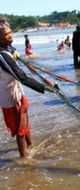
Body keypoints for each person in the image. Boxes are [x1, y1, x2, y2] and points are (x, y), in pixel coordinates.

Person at [0, 20, 55, 158]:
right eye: (7, 34)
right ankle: (24, 160)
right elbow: (22, 77)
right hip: (11, 97)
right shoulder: (2, 56)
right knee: (20, 130)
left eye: (11, 32)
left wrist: (15, 52)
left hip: (17, 93)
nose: (11, 36)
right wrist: (44, 87)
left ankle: (31, 146)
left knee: (25, 123)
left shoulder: (6, 49)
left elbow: (11, 50)